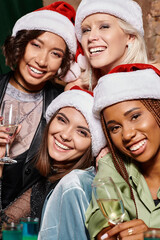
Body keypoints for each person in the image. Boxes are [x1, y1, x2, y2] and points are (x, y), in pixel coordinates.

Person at [0, 1, 77, 209]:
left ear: (63, 63)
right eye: (36, 44)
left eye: (56, 54)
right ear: (20, 44)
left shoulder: (63, 105)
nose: (42, 61)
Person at [1, 87, 106, 234]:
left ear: (93, 145)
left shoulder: (79, 186)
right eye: (62, 120)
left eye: (82, 132)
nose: (65, 135)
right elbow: (5, 225)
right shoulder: (45, 183)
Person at [85, 63, 160, 240]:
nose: (127, 135)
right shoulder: (113, 165)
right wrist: (106, 233)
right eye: (115, 128)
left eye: (135, 117)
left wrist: (152, 235)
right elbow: (101, 216)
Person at [65, 0, 160, 91]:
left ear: (130, 37)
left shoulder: (155, 77)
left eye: (104, 27)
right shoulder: (76, 88)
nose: (91, 37)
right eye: (86, 30)